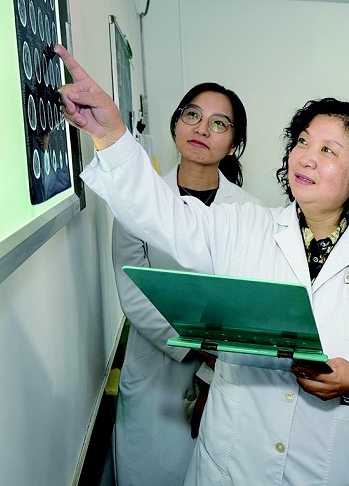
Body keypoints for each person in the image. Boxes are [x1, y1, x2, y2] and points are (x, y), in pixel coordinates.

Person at [56, 44, 349, 485]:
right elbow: (163, 215)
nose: (307, 156)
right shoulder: (244, 226)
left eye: (329, 150)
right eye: (303, 142)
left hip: (332, 466)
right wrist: (113, 136)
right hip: (234, 463)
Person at [110, 82, 259, 485]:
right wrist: (197, 347)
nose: (202, 128)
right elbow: (133, 292)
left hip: (224, 373)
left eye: (219, 123)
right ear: (176, 123)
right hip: (155, 369)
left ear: (234, 144)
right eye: (192, 115)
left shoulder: (250, 212)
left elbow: (247, 300)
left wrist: (215, 361)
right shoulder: (139, 199)